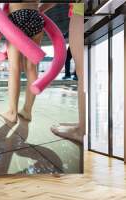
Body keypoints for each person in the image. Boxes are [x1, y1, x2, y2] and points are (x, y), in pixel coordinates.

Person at [0, 3, 50, 123]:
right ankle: (27, 111)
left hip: (17, 15)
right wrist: (40, 9)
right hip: (36, 17)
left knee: (14, 68)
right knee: (31, 67)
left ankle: (12, 112)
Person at [51, 3, 85, 143]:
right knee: (85, 68)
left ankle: (81, 131)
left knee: (83, 71)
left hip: (81, 8)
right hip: (83, 8)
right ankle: (83, 124)